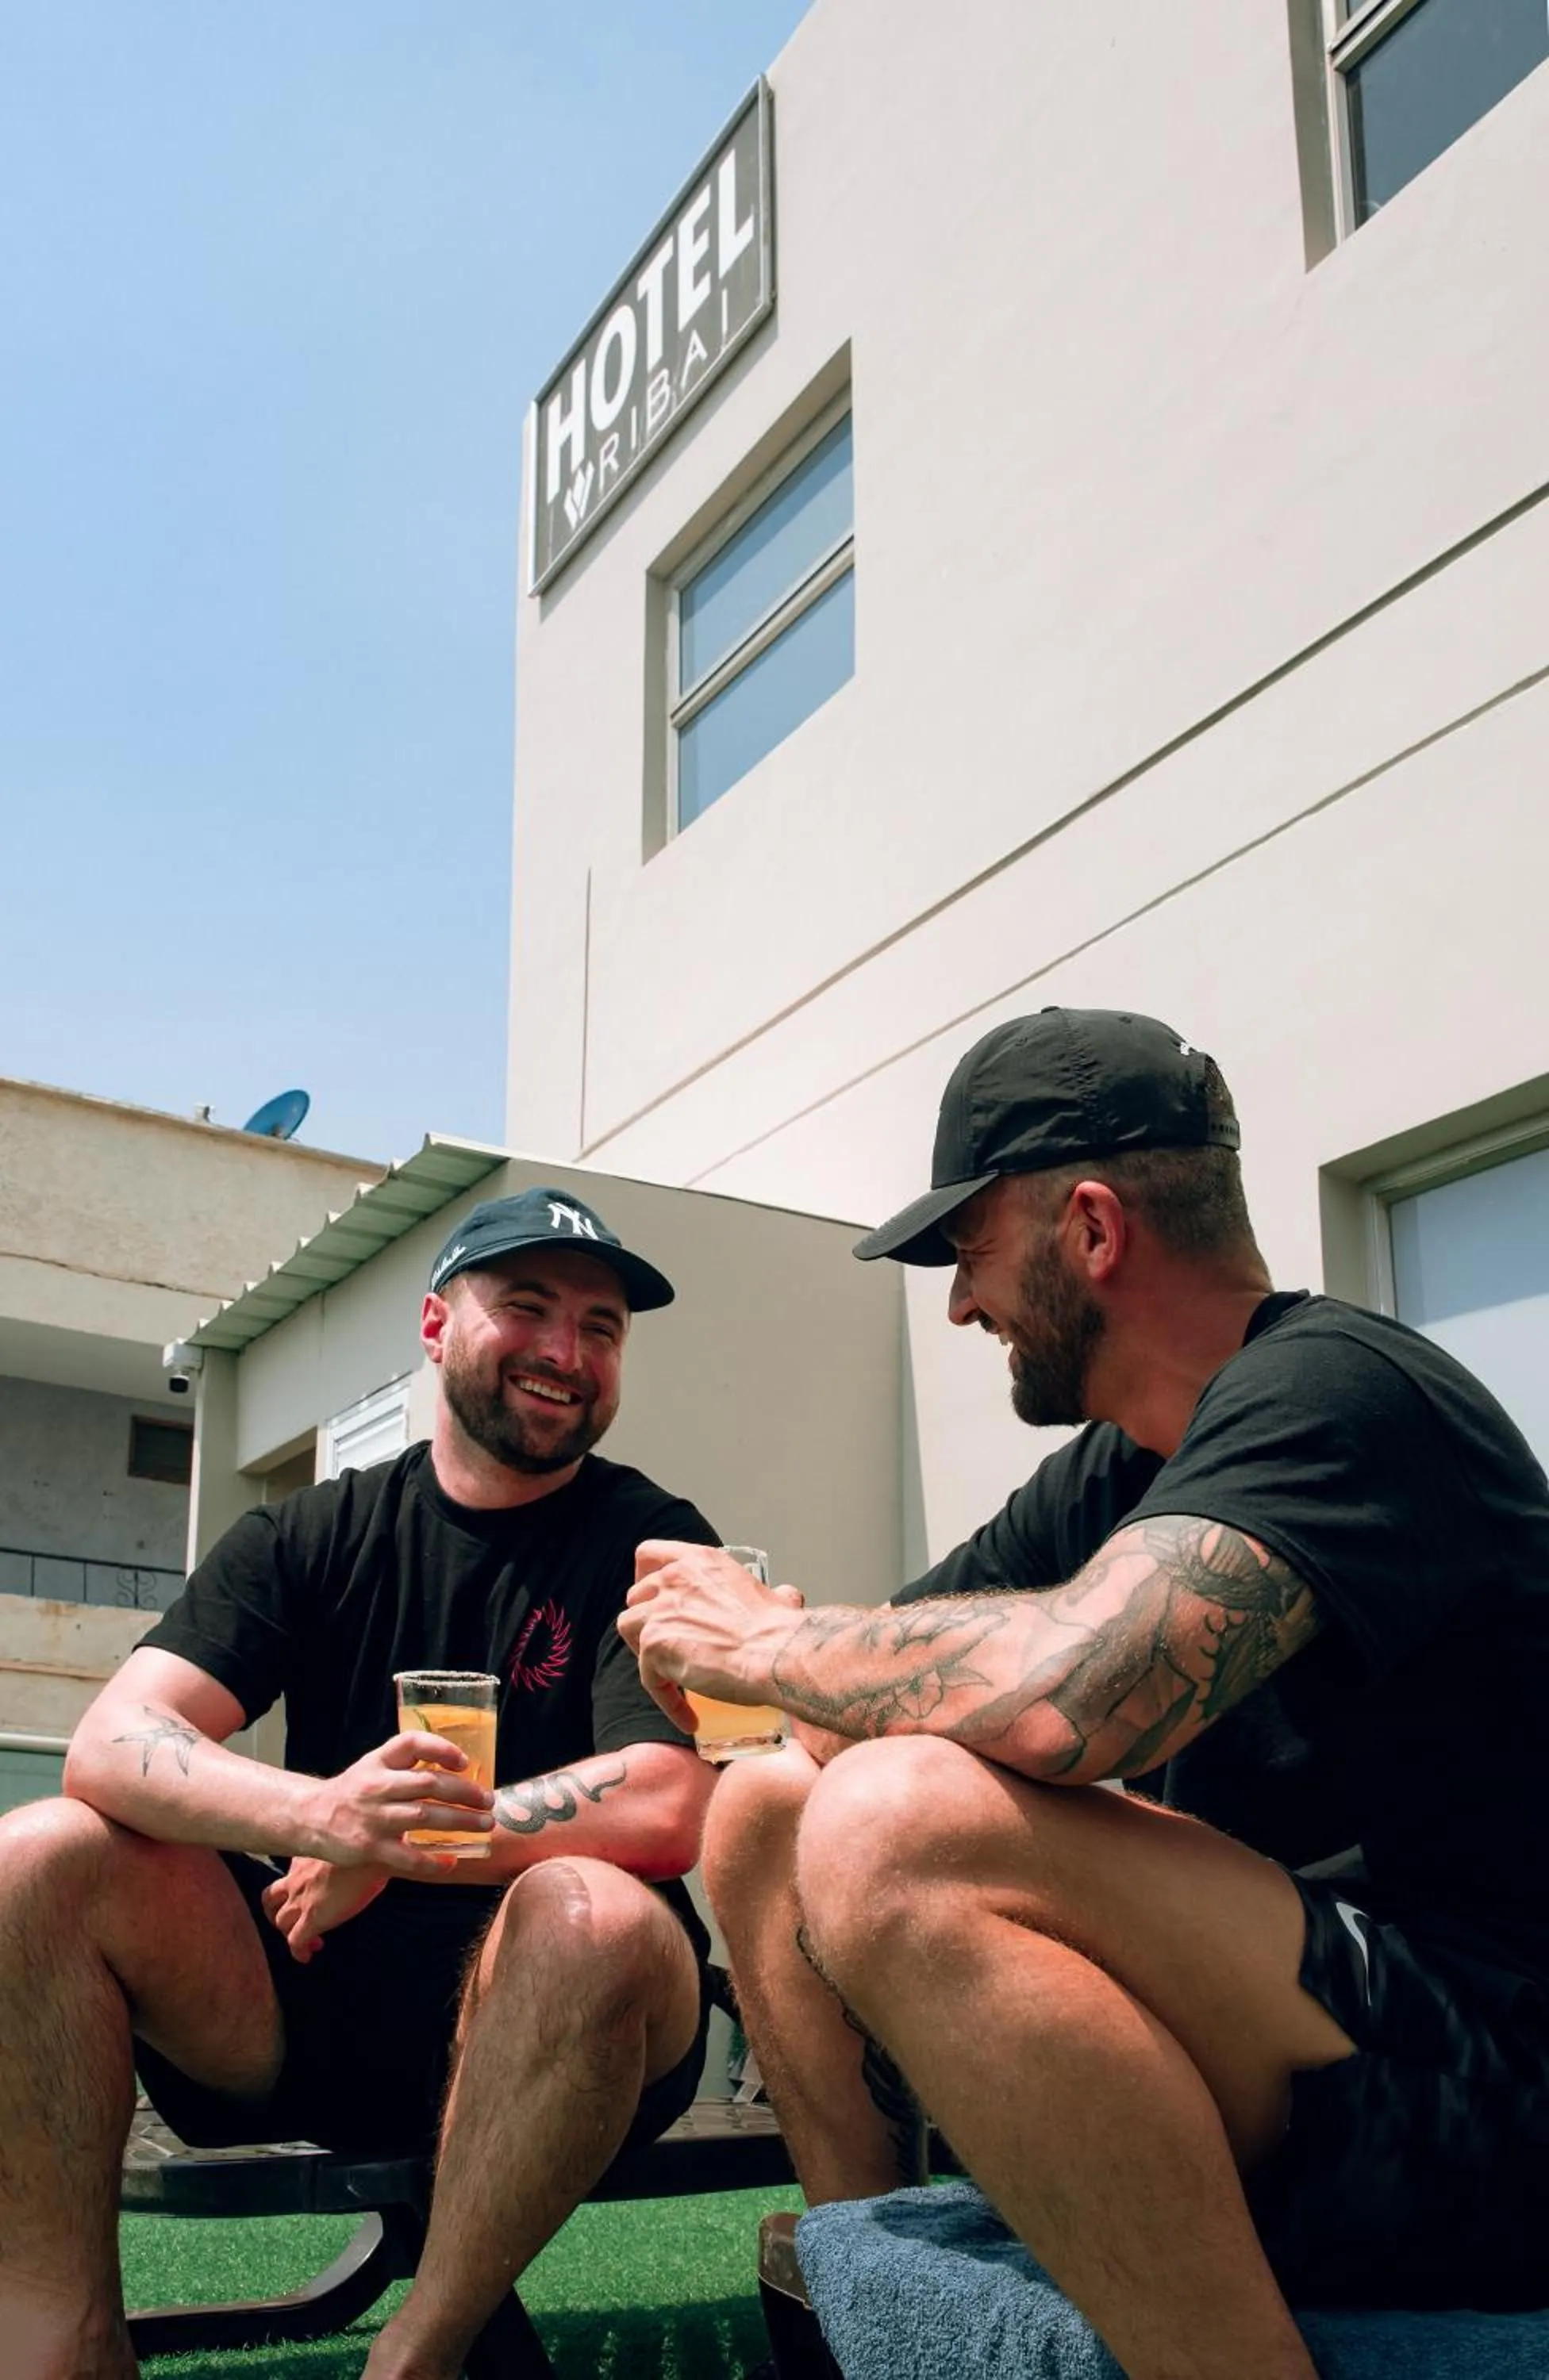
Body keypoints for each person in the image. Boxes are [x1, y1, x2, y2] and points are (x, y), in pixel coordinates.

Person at [621, 1008, 1549, 2380]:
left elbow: (1071, 1697)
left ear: (1094, 1231)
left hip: (1493, 2093)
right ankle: (870, 2287)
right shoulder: (1116, 1470)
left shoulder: (1345, 1396)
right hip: (1294, 2044)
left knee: (895, 1821)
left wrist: (763, 1644)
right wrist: (752, 1654)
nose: (958, 1303)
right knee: (767, 1806)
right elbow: (873, 1686)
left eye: (969, 1250)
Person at [0, 1185, 722, 2380]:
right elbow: (116, 1739)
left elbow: (664, 1800)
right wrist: (324, 1817)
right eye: (529, 1308)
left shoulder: (653, 1541)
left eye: (602, 1328)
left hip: (569, 2027)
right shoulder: (308, 1536)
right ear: (438, 1327)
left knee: (588, 1917)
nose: (566, 1352)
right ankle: (59, 2342)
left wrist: (394, 1846)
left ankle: (420, 2354)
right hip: (314, 2000)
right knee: (37, 1857)